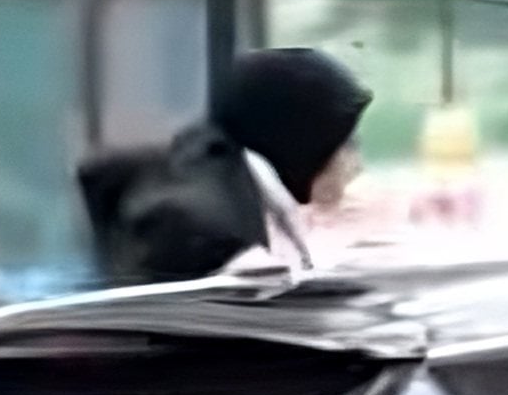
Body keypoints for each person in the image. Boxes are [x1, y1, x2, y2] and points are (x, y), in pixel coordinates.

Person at [78, 47, 372, 288]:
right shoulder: (206, 229)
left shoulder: (220, 177)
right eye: (346, 144)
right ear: (301, 139)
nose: (357, 166)